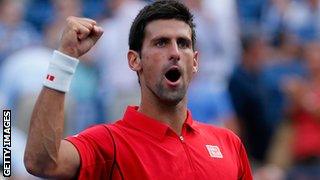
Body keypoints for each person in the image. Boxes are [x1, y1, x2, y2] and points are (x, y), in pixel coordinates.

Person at [24, 1, 252, 179]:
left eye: (183, 43)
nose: (175, 53)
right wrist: (65, 58)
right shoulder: (109, 143)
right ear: (134, 60)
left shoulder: (229, 143)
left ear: (194, 61)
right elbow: (41, 162)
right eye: (161, 43)